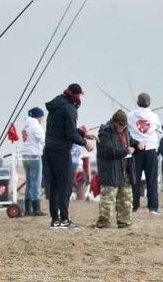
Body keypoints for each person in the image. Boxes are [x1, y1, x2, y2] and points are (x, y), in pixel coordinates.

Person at [43, 83, 94, 229]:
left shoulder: (57, 104)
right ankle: (64, 219)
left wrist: (83, 133)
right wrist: (85, 143)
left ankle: (55, 219)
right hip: (61, 151)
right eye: (80, 95)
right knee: (65, 186)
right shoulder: (70, 108)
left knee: (54, 186)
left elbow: (64, 128)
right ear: (77, 95)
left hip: (49, 150)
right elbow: (70, 133)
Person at [95, 110, 144, 228]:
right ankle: (104, 223)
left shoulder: (125, 131)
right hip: (110, 171)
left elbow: (131, 142)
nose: (122, 127)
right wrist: (125, 151)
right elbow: (106, 150)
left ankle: (124, 222)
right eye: (120, 125)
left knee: (126, 198)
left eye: (124, 125)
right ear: (114, 122)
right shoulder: (105, 132)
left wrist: (138, 145)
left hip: (125, 170)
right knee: (108, 199)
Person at [127, 93, 163, 213]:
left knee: (135, 179)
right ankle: (153, 208)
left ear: (137, 102)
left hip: (136, 150)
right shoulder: (154, 116)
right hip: (151, 150)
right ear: (149, 103)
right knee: (151, 179)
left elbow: (127, 130)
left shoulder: (130, 115)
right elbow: (159, 131)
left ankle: (134, 207)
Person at [21, 107, 47, 216]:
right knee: (36, 182)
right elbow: (44, 140)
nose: (42, 119)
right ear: (38, 117)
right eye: (41, 117)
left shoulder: (25, 126)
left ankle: (28, 209)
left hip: (25, 156)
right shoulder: (36, 127)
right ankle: (36, 209)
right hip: (35, 156)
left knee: (29, 183)